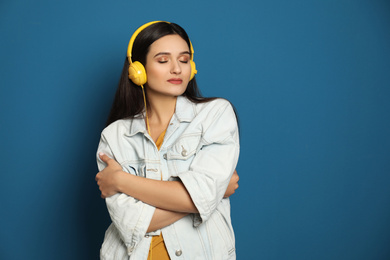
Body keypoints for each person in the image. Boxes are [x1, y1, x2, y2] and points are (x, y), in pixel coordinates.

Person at [95, 21, 240, 260]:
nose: (176, 69)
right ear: (137, 70)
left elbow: (201, 194)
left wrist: (120, 180)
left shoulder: (215, 114)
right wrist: (208, 195)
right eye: (163, 60)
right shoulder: (114, 136)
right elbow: (131, 223)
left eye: (184, 60)